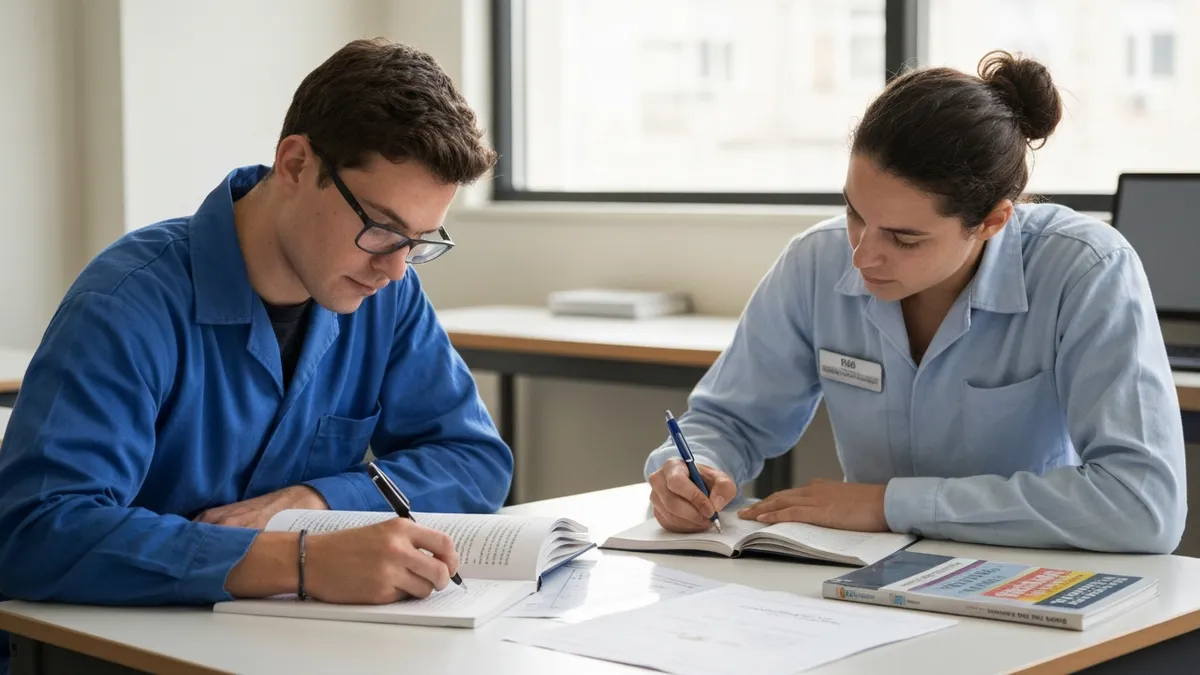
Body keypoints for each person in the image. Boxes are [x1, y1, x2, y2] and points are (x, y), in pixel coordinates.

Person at [0, 37, 512, 669]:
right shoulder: (126, 302)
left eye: (420, 239)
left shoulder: (386, 295)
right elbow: (33, 531)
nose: (395, 268)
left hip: (289, 650)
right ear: (295, 164)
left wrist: (316, 503)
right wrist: (302, 559)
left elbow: (474, 461)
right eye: (381, 227)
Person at [645, 50, 1187, 554]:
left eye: (904, 239)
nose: (861, 256)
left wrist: (889, 505)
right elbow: (729, 422)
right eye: (855, 213)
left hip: (1026, 574)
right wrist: (688, 468)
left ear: (993, 221)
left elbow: (1143, 505)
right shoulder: (815, 261)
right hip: (861, 574)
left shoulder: (1086, 268)